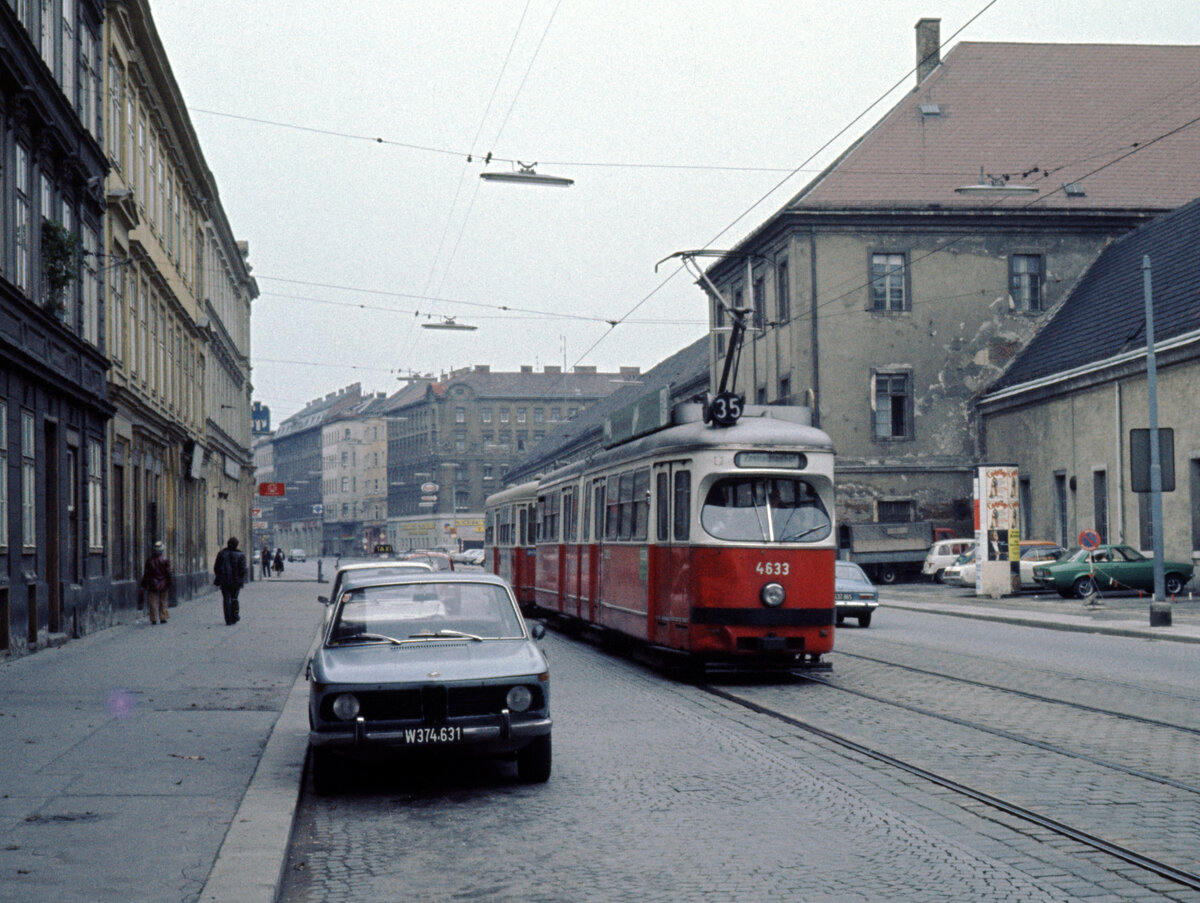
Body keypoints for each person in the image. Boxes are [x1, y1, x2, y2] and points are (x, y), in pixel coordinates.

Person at [214, 537, 249, 625]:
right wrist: (241, 579)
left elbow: (216, 567)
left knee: (226, 599)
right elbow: (243, 569)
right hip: (236, 582)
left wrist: (219, 577)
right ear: (237, 545)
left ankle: (228, 619)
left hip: (224, 581)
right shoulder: (240, 555)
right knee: (234, 598)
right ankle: (235, 616)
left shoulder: (221, 554)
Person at [140, 541, 173, 625]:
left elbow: (146, 573)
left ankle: (153, 618)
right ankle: (163, 617)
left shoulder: (149, 560)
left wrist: (144, 583)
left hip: (152, 583)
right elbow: (168, 572)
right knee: (163, 600)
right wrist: (169, 581)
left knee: (152, 601)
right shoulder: (165, 560)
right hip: (163, 582)